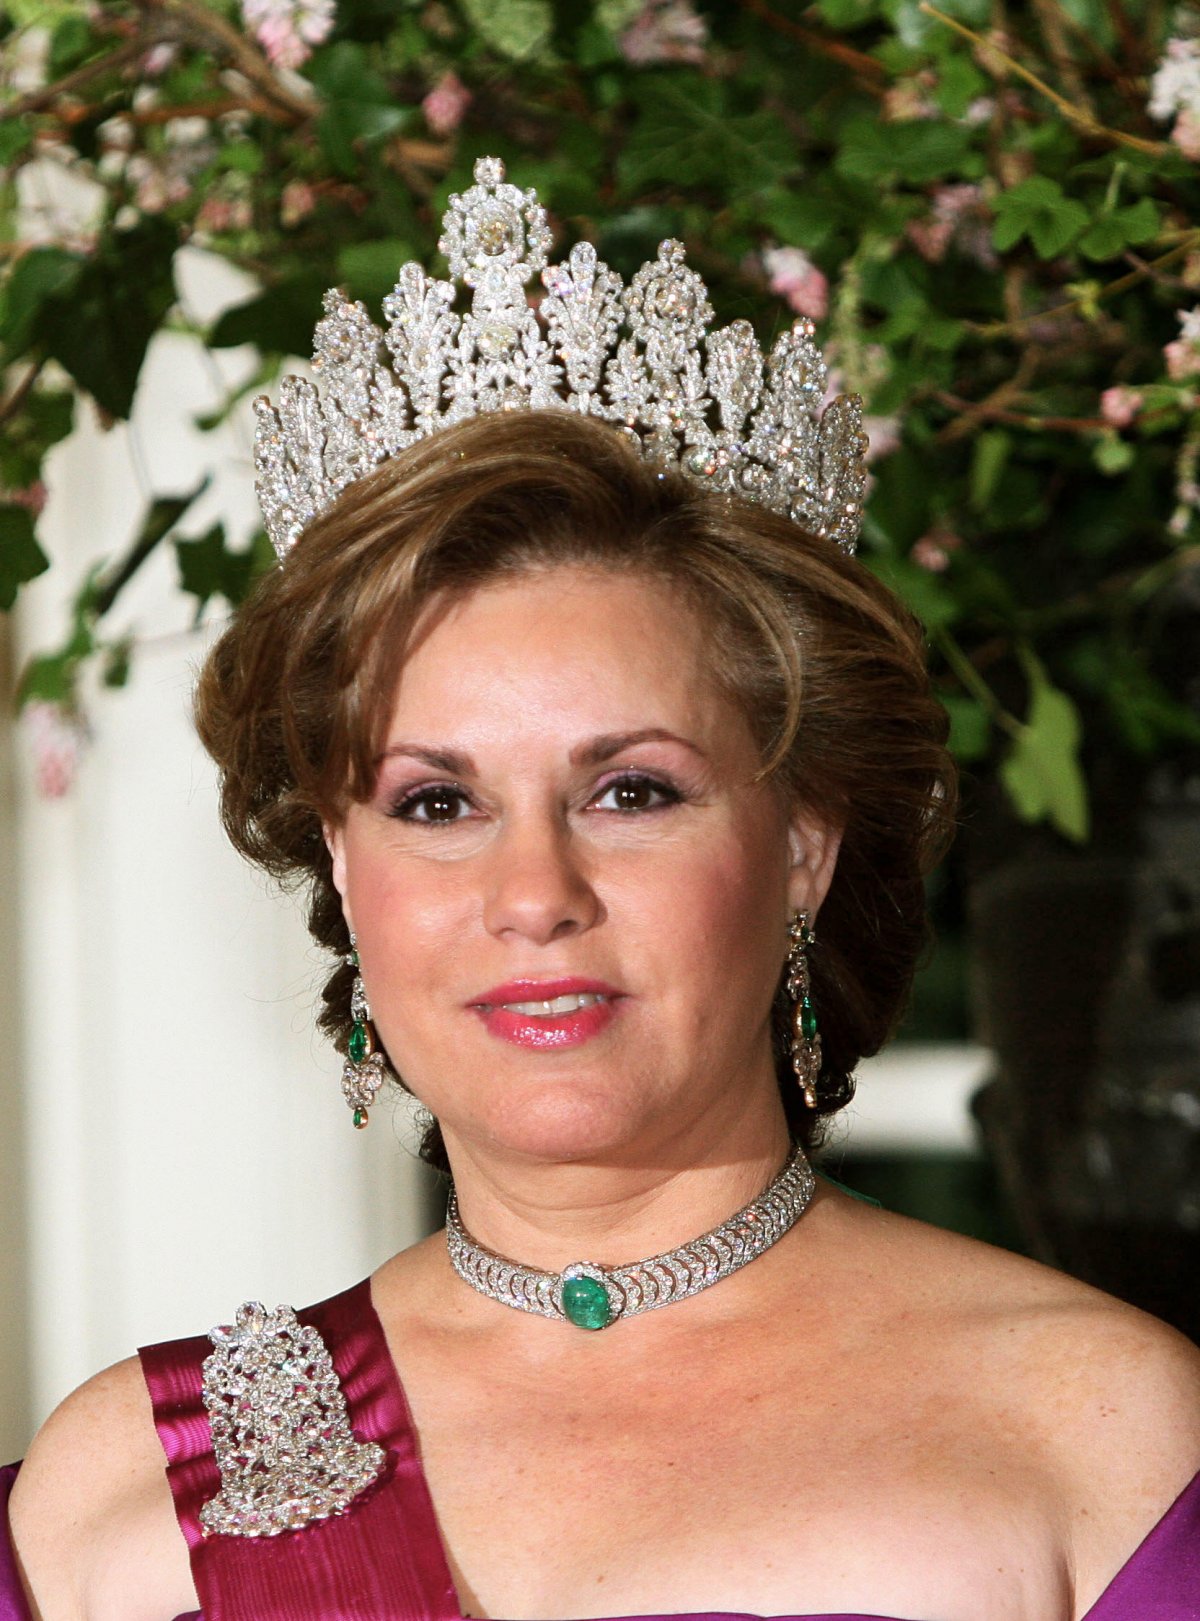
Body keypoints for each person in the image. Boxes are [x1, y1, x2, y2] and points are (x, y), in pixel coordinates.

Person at [5, 158, 1200, 1621]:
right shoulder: (111, 1491)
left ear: (804, 844)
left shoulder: (1111, 1446)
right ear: (340, 862)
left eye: (630, 791)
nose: (533, 891)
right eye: (437, 802)